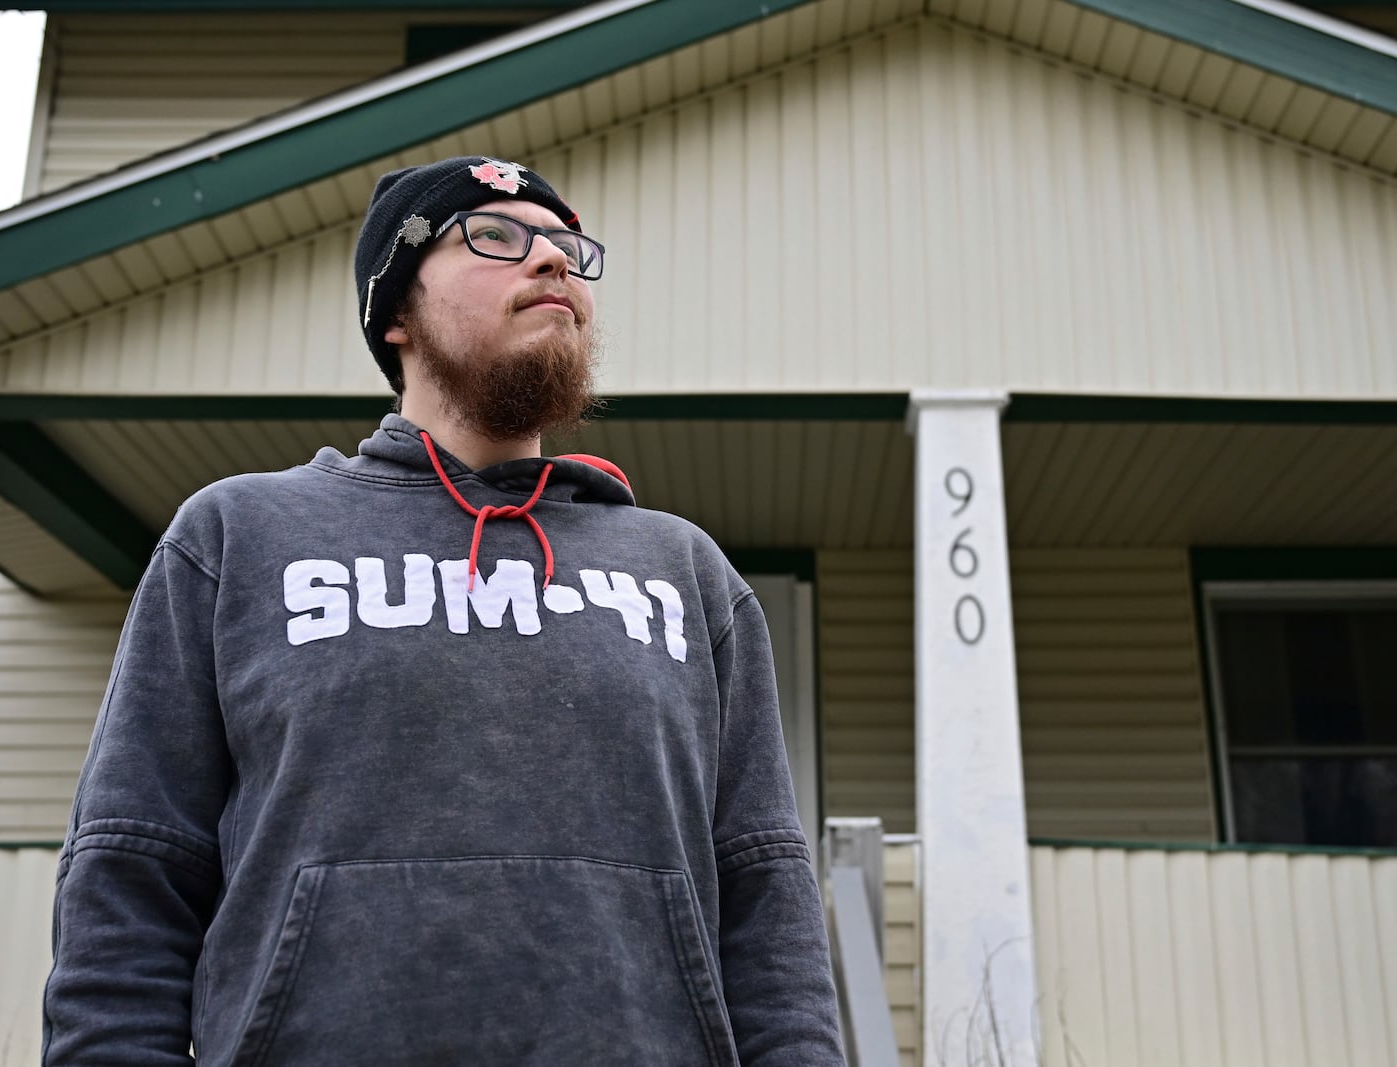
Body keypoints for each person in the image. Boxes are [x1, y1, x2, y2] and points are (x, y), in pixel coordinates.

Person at [42, 156, 844, 1065]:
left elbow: (764, 893)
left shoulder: (684, 570)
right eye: (496, 237)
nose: (551, 264)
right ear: (396, 315)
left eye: (566, 249)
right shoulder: (237, 537)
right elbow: (133, 864)